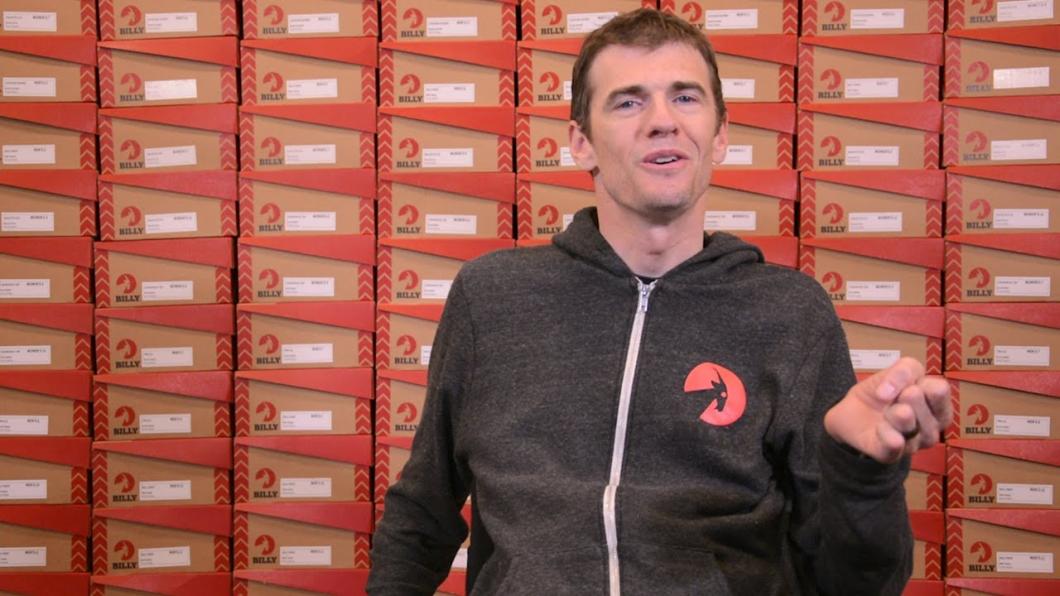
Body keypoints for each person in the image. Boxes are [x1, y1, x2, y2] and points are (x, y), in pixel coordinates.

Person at [368, 8, 951, 595]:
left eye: (686, 98)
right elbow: (422, 514)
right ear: (580, 143)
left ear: (720, 136)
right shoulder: (492, 298)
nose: (662, 121)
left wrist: (862, 472)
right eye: (628, 101)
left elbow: (861, 584)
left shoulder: (790, 314)